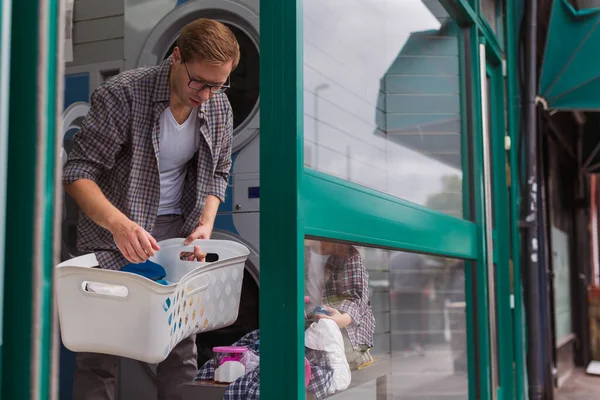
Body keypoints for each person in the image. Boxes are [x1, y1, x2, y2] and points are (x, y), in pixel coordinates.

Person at [62, 18, 239, 400]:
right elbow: (77, 173)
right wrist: (119, 226)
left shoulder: (219, 108)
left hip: (176, 234)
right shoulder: (123, 95)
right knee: (100, 349)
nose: (206, 95)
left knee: (179, 346)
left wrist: (205, 224)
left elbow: (219, 172)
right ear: (176, 58)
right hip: (114, 232)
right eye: (199, 82)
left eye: (217, 84)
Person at [304, 240, 376, 371]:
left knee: (337, 362)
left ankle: (361, 354)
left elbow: (356, 297)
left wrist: (344, 319)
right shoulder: (304, 253)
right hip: (314, 317)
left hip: (346, 322)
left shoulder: (348, 255)